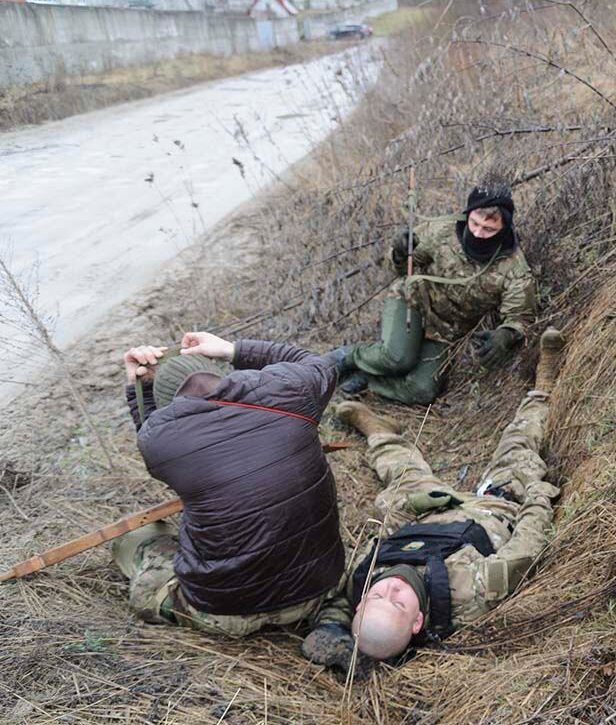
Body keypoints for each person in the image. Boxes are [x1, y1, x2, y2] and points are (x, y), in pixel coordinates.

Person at [301, 327, 567, 670]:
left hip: (431, 508)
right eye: (397, 604)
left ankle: (380, 432)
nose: (391, 588)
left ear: (361, 603)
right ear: (417, 623)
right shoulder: (470, 593)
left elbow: (339, 592)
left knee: (400, 476)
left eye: (377, 597)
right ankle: (542, 388)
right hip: (493, 506)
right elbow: (527, 547)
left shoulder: (363, 579)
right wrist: (537, 496)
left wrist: (330, 628)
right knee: (519, 448)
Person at [112, 332, 344, 636]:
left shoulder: (161, 444)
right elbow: (318, 361)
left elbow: (151, 433)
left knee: (135, 538)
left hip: (228, 612)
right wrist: (232, 350)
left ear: (169, 407)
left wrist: (137, 386)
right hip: (320, 585)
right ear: (220, 376)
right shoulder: (293, 393)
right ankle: (333, 614)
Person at [331, 183, 538, 406]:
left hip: (446, 331)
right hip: (412, 300)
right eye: (475, 223)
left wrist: (505, 335)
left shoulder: (514, 267)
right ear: (467, 214)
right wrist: (399, 253)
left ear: (504, 227)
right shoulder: (442, 230)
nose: (478, 233)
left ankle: (370, 378)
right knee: (397, 358)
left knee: (422, 391)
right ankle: (345, 356)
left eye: (488, 229)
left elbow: (521, 317)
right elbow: (400, 268)